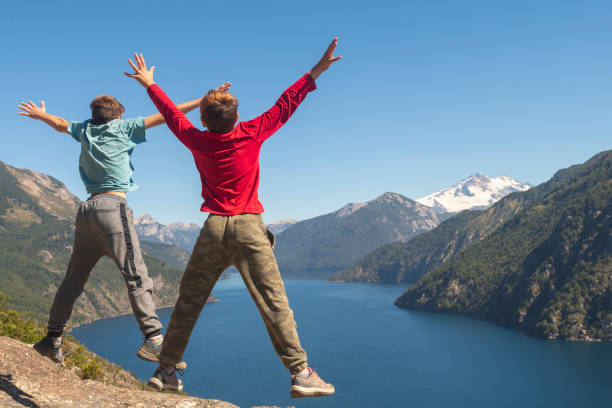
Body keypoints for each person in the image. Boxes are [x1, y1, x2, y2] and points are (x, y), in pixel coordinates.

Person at [124, 38, 341, 398]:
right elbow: (287, 103)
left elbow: (173, 116)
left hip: (213, 228)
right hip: (248, 226)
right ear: (237, 116)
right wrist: (317, 70)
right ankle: (301, 373)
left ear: (204, 121)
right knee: (274, 302)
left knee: (189, 299)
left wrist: (149, 83)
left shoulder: (196, 139)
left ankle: (166, 372)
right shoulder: (253, 132)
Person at [17, 86, 227, 364]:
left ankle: (52, 338)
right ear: (117, 116)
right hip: (112, 209)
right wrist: (203, 100)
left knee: (73, 281)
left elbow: (59, 124)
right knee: (137, 276)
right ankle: (154, 340)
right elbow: (167, 114)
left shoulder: (85, 129)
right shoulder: (124, 128)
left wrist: (41, 114)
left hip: (86, 211)